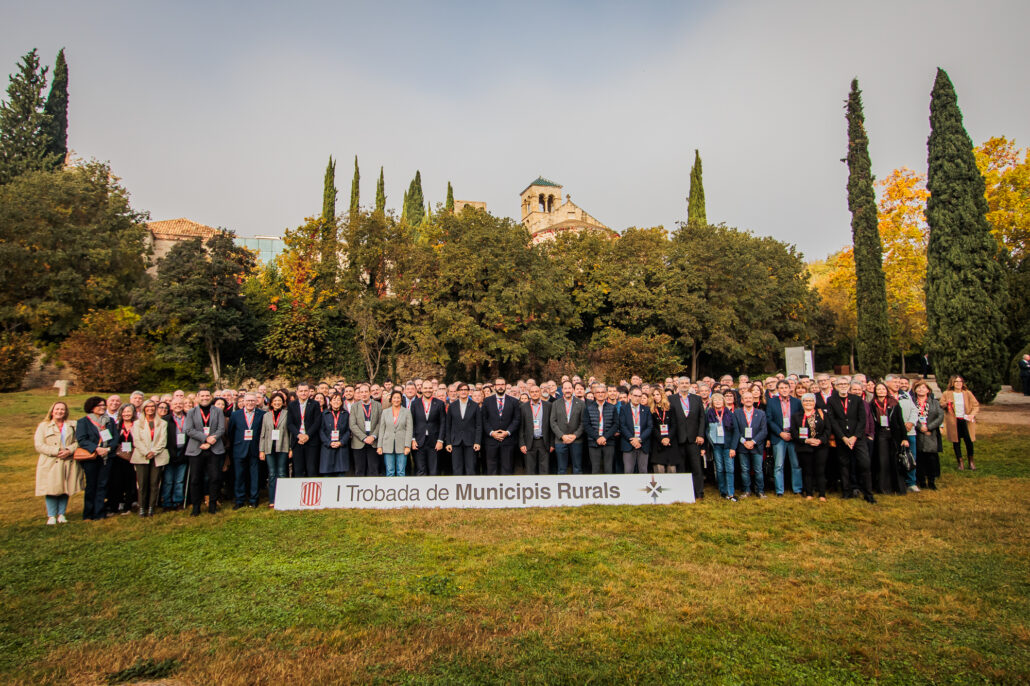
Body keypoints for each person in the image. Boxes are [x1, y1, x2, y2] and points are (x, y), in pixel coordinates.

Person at [828, 377, 874, 503]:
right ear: (835, 387)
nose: (843, 386)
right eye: (840, 384)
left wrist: (855, 437)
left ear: (849, 385)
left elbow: (862, 419)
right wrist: (842, 437)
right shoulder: (831, 400)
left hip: (857, 438)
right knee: (844, 466)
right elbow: (832, 420)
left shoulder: (857, 399)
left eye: (845, 384)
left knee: (864, 465)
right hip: (842, 438)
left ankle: (868, 494)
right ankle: (846, 492)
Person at [35, 401, 81, 525]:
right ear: (52, 411)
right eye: (57, 409)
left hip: (67, 460)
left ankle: (61, 514)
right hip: (50, 461)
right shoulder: (44, 426)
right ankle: (51, 515)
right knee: (51, 488)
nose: (60, 411)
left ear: (66, 411)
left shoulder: (72, 425)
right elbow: (39, 445)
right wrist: (56, 451)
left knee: (65, 487)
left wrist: (69, 450)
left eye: (62, 409)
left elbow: (78, 441)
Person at [185, 388, 226, 516]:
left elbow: (221, 428)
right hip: (197, 449)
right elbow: (189, 430)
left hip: (214, 448)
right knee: (196, 479)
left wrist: (211, 440)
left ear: (211, 397)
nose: (205, 398)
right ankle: (196, 506)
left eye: (207, 395)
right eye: (202, 396)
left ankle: (212, 505)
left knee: (214, 478)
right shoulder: (191, 412)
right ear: (197, 397)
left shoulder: (218, 411)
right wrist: (204, 438)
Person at [75, 397, 115, 521]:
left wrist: (108, 449)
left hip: (106, 458)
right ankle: (88, 513)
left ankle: (99, 512)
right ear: (92, 407)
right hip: (91, 458)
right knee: (91, 485)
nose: (102, 407)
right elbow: (82, 439)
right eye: (99, 405)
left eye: (104, 405)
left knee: (102, 485)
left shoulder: (110, 421)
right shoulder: (83, 422)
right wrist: (96, 449)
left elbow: (115, 438)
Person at [869, 382, 909, 495]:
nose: (881, 391)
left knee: (895, 460)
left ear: (886, 391)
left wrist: (904, 437)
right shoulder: (872, 404)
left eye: (883, 389)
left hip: (894, 434)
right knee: (883, 461)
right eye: (878, 389)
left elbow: (901, 421)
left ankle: (898, 488)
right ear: (875, 391)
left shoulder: (894, 403)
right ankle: (884, 488)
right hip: (880, 434)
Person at [671, 377, 707, 500]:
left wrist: (701, 434)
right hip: (678, 439)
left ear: (690, 385)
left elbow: (702, 418)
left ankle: (699, 493)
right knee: (681, 467)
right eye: (682, 383)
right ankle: (682, 492)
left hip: (694, 439)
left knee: (696, 467)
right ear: (678, 385)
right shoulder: (671, 399)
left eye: (687, 383)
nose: (685, 385)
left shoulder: (696, 399)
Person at [131, 399, 169, 517]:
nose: (150, 409)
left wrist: (154, 452)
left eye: (152, 406)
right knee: (142, 483)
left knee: (154, 483)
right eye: (147, 406)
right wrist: (146, 452)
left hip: (157, 456)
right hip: (142, 456)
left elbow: (163, 440)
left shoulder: (162, 423)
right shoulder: (137, 423)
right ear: (144, 408)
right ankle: (142, 507)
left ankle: (152, 506)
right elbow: (136, 440)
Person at [228, 392, 264, 509]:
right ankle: (240, 499)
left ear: (256, 402)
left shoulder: (262, 414)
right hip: (239, 449)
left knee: (255, 476)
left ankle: (254, 499)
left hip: (255, 449)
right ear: (243, 402)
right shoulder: (235, 415)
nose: (250, 403)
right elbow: (231, 432)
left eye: (252, 401)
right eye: (248, 401)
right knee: (239, 476)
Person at [767, 379, 803, 497]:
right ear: (778, 390)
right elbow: (769, 420)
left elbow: (800, 420)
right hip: (779, 437)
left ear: (790, 389)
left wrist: (793, 433)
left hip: (793, 437)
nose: (784, 390)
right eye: (781, 388)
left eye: (786, 388)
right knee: (778, 465)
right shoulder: (772, 402)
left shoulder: (797, 402)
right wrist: (780, 433)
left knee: (796, 464)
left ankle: (797, 489)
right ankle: (779, 490)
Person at [791, 393, 830, 501]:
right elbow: (794, 433)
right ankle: (809, 493)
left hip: (820, 446)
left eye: (810, 400)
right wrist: (806, 440)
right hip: (804, 446)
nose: (808, 403)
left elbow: (828, 429)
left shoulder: (822, 414)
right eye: (805, 401)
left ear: (814, 402)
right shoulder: (796, 416)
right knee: (807, 471)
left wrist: (820, 440)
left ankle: (822, 494)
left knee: (820, 470)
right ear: (802, 403)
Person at [482, 378, 520, 475]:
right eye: (498, 384)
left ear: (506, 386)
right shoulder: (487, 401)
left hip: (508, 440)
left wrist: (507, 432)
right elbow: (483, 419)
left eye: (502, 384)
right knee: (491, 469)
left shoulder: (514, 401)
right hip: (491, 441)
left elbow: (516, 419)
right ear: (494, 387)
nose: (500, 386)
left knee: (507, 468)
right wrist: (492, 433)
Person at [733, 390, 767, 498]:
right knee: (744, 469)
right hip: (742, 446)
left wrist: (753, 441)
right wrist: (744, 442)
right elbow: (736, 430)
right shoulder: (737, 413)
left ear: (753, 400)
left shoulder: (761, 413)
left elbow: (764, 431)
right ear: (742, 401)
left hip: (756, 446)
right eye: (745, 398)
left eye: (750, 398)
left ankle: (760, 491)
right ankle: (746, 491)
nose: (748, 400)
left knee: (758, 469)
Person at [259, 391, 291, 507]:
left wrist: (291, 448)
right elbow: (263, 434)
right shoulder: (266, 416)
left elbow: (290, 433)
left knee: (282, 473)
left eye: (279, 401)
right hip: (269, 448)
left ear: (283, 403)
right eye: (275, 401)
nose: (277, 403)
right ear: (271, 403)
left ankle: (284, 498)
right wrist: (261, 450)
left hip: (283, 446)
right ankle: (272, 499)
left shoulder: (287, 414)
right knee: (272, 474)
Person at [941, 376, 979, 470]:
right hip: (954, 421)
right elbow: (941, 404)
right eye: (956, 381)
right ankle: (960, 462)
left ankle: (971, 461)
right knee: (956, 441)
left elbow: (976, 405)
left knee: (969, 441)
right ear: (952, 383)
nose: (958, 383)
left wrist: (972, 415)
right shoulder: (947, 393)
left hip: (966, 420)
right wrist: (946, 404)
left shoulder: (967, 393)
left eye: (960, 381)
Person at [913, 380, 944, 489]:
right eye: (919, 387)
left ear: (928, 390)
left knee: (931, 458)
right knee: (919, 458)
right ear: (915, 390)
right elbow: (910, 416)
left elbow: (940, 416)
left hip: (931, 433)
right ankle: (921, 481)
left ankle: (931, 481)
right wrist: (920, 427)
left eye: (923, 388)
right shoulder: (912, 402)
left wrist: (929, 427)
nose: (921, 389)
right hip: (917, 433)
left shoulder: (934, 402)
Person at [410, 380, 446, 476]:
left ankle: (433, 489)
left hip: (434, 442)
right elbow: (411, 423)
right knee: (421, 470)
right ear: (421, 389)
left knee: (434, 470)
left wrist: (440, 440)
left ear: (433, 389)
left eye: (430, 388)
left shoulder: (439, 403)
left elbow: (443, 423)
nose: (428, 390)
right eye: (425, 388)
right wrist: (413, 439)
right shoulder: (415, 403)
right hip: (419, 441)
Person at [706, 393, 737, 500]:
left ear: (723, 401)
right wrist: (710, 442)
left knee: (729, 469)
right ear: (712, 402)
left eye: (720, 400)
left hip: (727, 445)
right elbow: (706, 430)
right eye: (715, 400)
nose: (718, 402)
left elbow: (736, 431)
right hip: (716, 445)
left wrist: (733, 447)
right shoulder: (709, 414)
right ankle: (722, 491)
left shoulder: (729, 414)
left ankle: (731, 492)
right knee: (719, 469)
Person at [288, 382, 323, 478]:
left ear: (309, 392)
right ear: (297, 392)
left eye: (305, 391)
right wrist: (299, 435)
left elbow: (317, 422)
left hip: (311, 441)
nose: (303, 393)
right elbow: (290, 423)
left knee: (311, 468)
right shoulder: (292, 405)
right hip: (297, 441)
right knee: (298, 469)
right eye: (301, 391)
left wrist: (307, 435)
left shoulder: (315, 404)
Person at [550, 380, 585, 475]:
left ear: (573, 390)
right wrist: (562, 436)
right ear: (562, 390)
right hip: (561, 440)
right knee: (561, 469)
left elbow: (583, 422)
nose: (568, 390)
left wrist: (575, 435)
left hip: (576, 440)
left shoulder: (581, 404)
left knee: (577, 468)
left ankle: (578, 487)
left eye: (569, 388)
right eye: (565, 388)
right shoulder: (556, 404)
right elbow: (553, 422)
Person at [446, 383, 481, 476]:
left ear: (469, 392)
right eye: (461, 390)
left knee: (471, 469)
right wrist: (448, 442)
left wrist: (477, 442)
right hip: (456, 442)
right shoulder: (452, 406)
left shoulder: (475, 406)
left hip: (471, 442)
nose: (463, 391)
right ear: (457, 392)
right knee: (457, 469)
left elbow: (478, 425)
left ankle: (470, 489)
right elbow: (448, 425)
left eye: (465, 390)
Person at [109, 404, 138, 515]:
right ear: (121, 413)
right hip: (118, 458)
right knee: (116, 483)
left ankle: (128, 506)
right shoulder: (116, 426)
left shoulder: (137, 425)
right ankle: (115, 505)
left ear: (133, 413)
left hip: (132, 457)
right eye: (124, 412)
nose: (126, 414)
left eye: (129, 411)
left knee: (130, 483)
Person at [583, 382, 618, 474]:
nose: (600, 394)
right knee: (595, 469)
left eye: (602, 392)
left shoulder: (612, 408)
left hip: (609, 441)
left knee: (608, 468)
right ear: (594, 394)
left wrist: (605, 437)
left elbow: (615, 424)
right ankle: (596, 487)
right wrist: (597, 437)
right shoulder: (588, 408)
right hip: (593, 442)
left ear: (606, 394)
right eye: (598, 392)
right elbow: (586, 425)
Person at [377, 390, 413, 477]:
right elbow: (382, 430)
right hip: (387, 445)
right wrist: (379, 446)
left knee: (401, 471)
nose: (396, 400)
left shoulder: (407, 412)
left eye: (398, 398)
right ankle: (390, 489)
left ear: (401, 399)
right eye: (394, 398)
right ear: (391, 399)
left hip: (402, 445)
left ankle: (401, 489)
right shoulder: (385, 412)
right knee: (390, 471)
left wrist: (407, 446)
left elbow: (409, 429)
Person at [349, 384, 382, 476]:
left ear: (370, 393)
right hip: (359, 443)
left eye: (366, 392)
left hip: (373, 442)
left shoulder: (378, 405)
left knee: (374, 469)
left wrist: (373, 436)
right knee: (359, 470)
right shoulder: (354, 407)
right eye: (361, 392)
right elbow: (352, 425)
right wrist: (364, 438)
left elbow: (380, 423)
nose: (363, 394)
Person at [519, 384, 553, 475]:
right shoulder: (523, 407)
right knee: (530, 470)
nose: (534, 394)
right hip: (529, 442)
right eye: (532, 392)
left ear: (540, 392)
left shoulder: (548, 406)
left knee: (544, 469)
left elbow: (551, 426)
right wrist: (522, 443)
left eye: (536, 391)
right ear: (529, 394)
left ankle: (544, 487)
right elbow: (521, 427)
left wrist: (552, 443)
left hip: (544, 441)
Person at [161, 397, 188, 510]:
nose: (178, 405)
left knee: (179, 480)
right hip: (169, 453)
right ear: (171, 406)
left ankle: (178, 501)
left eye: (180, 404)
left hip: (183, 452)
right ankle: (167, 502)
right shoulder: (166, 419)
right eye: (175, 404)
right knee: (168, 480)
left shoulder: (188, 418)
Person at [619, 386, 652, 474]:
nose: (637, 398)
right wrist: (633, 439)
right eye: (635, 395)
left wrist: (639, 439)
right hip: (628, 443)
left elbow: (649, 427)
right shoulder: (623, 409)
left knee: (643, 471)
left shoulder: (646, 409)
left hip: (643, 444)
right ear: (630, 396)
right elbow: (622, 426)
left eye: (639, 396)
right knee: (628, 470)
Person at [649, 388, 681, 474]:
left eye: (658, 394)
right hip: (658, 443)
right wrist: (661, 439)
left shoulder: (670, 408)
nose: (656, 397)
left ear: (662, 395)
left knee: (672, 469)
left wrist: (668, 438)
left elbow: (674, 425)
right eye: (654, 395)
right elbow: (652, 427)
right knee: (659, 469)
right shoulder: (651, 410)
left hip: (670, 442)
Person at [319, 392, 350, 476]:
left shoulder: (346, 414)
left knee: (341, 474)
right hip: (327, 447)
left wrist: (341, 442)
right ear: (330, 402)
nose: (336, 402)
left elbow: (348, 430)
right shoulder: (324, 414)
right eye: (334, 400)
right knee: (327, 475)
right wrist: (329, 442)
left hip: (341, 447)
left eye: (338, 400)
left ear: (341, 402)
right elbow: (321, 431)